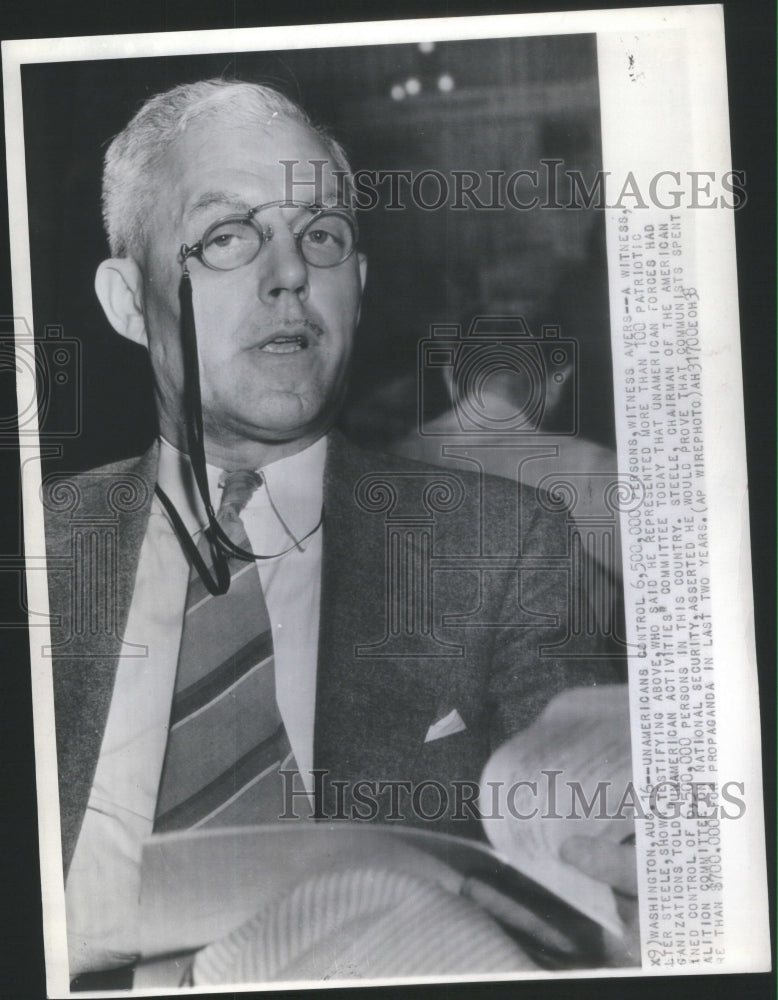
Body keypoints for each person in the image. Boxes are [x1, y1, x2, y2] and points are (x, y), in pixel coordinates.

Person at [41, 79, 631, 985]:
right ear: (127, 302)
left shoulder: (503, 545)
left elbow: (596, 896)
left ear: (355, 288)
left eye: (322, 237)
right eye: (228, 236)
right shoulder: (41, 552)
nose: (289, 274)